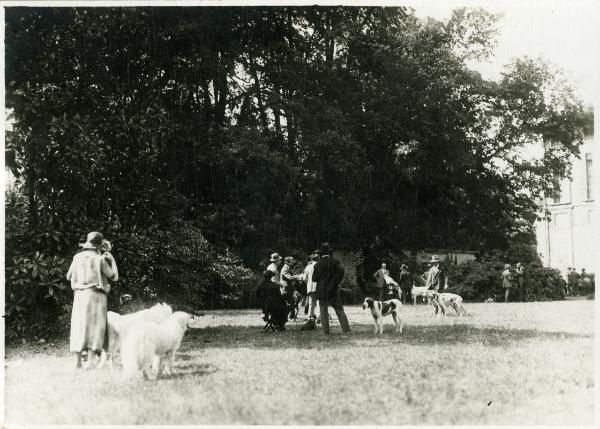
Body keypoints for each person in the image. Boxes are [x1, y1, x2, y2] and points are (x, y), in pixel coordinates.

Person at [67, 231, 118, 369]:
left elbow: (69, 276)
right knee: (95, 326)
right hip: (96, 295)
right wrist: (112, 259)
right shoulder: (99, 259)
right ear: (98, 246)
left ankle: (77, 361)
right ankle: (90, 361)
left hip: (79, 295)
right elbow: (114, 276)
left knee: (79, 325)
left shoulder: (77, 257)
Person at [312, 243, 351, 334]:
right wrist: (336, 282)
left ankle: (326, 332)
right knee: (339, 310)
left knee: (323, 310)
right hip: (333, 290)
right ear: (330, 252)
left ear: (320, 253)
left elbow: (314, 279)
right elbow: (341, 270)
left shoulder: (317, 265)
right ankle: (347, 331)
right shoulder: (335, 262)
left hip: (321, 291)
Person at [256, 252, 288, 330]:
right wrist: (282, 285)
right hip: (272, 291)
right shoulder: (273, 268)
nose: (280, 261)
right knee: (284, 306)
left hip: (270, 293)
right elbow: (273, 280)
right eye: (279, 260)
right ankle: (279, 324)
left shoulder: (272, 267)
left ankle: (272, 319)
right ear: (276, 260)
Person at [300, 252, 320, 331]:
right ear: (319, 259)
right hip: (319, 287)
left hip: (311, 287)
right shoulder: (320, 266)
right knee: (319, 302)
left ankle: (310, 317)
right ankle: (319, 317)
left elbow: (304, 278)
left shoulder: (308, 267)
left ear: (312, 259)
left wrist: (309, 282)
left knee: (311, 303)